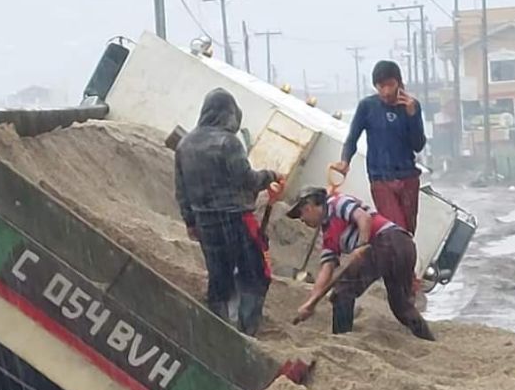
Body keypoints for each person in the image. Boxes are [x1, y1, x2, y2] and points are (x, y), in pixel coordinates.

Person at [173, 88, 278, 336]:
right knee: (254, 273)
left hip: (205, 222)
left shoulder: (184, 144)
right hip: (237, 219)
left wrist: (190, 221)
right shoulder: (228, 142)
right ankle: (246, 327)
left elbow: (181, 191)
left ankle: (218, 327)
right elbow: (247, 179)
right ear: (228, 114)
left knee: (219, 276)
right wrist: (269, 177)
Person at [287, 186, 434, 341]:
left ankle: (342, 340)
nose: (302, 220)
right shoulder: (329, 235)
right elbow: (327, 268)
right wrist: (310, 303)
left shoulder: (337, 203)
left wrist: (361, 245)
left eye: (301, 214)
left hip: (388, 240)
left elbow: (364, 218)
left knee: (343, 291)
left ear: (308, 207)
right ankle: (428, 339)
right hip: (402, 245)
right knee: (401, 306)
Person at [330, 60, 426, 233]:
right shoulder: (367, 107)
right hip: (381, 178)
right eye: (381, 86)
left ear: (399, 83)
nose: (386, 91)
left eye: (390, 85)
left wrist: (412, 116)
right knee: (396, 229)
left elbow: (418, 145)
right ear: (375, 86)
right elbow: (352, 138)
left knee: (408, 232)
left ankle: (399, 259)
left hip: (408, 178)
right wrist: (345, 161)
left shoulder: (412, 106)